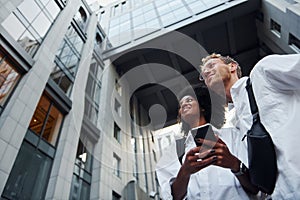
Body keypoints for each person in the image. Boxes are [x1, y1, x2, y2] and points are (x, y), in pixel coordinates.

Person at [200, 53, 300, 199]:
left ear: (232, 66)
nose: (206, 72)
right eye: (203, 74)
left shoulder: (263, 72)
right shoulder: (235, 128)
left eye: (211, 65)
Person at [156, 84, 258, 200]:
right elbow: (172, 197)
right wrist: (185, 172)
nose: (184, 104)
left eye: (189, 100)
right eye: (180, 105)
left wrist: (234, 164)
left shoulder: (232, 136)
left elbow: (256, 188)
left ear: (203, 106)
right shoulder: (174, 151)